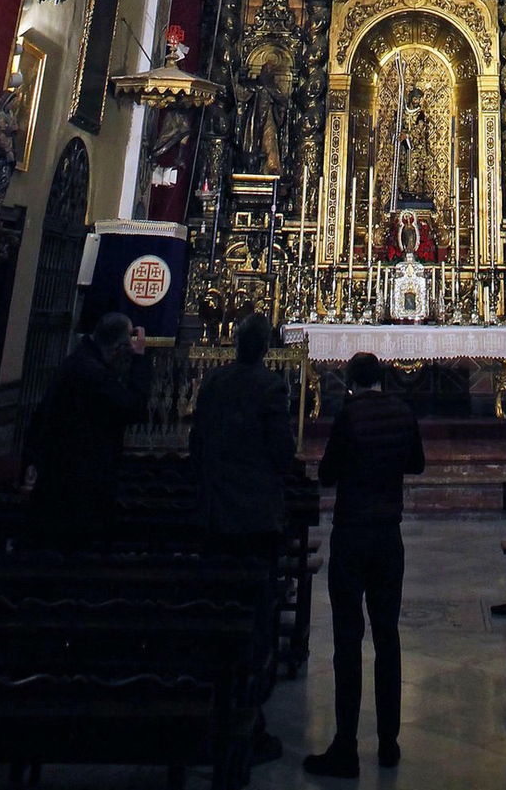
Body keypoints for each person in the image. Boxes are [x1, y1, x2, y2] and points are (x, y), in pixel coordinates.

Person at [305, 350, 426, 779]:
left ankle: (345, 745)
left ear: (351, 382)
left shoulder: (349, 416)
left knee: (347, 637)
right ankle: (389, 743)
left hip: (352, 532)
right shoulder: (402, 412)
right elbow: (417, 463)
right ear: (382, 379)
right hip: (388, 535)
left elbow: (327, 474)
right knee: (387, 634)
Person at [189, 311, 295, 767]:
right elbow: (282, 452)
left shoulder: (212, 384)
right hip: (254, 514)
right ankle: (248, 717)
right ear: (266, 347)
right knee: (254, 613)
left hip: (216, 512)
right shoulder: (270, 387)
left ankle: (212, 708)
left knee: (216, 605)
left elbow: (196, 442)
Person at [21, 308, 150, 551]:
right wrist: (140, 359)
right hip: (79, 482)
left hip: (64, 476)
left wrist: (32, 460)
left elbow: (42, 418)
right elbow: (133, 408)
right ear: (120, 347)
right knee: (71, 550)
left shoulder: (77, 362)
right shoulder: (93, 373)